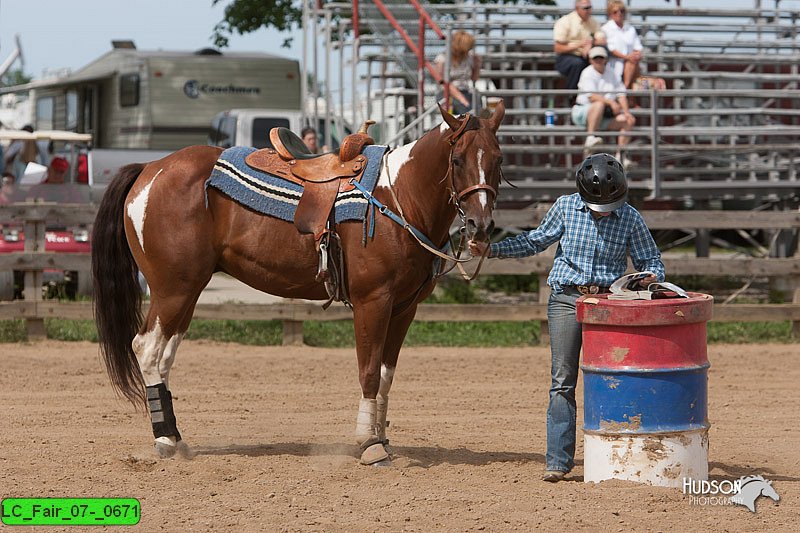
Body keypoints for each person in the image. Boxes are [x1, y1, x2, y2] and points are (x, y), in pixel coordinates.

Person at [468, 153, 665, 483]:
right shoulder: (564, 207)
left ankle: (617, 454)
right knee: (563, 380)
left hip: (607, 301)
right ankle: (558, 460)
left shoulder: (630, 218)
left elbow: (652, 260)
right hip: (566, 298)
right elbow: (535, 240)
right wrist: (494, 250)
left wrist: (650, 277)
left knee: (611, 378)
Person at [571, 46, 635, 157]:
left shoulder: (612, 73)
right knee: (599, 104)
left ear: (606, 59)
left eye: (601, 58)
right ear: (590, 60)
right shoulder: (587, 73)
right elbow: (592, 97)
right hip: (583, 112)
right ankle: (590, 138)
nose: (599, 61)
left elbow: (621, 94)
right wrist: (611, 103)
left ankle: (621, 156)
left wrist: (626, 112)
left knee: (629, 120)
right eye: (596, 58)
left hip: (604, 115)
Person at [553, 0, 600, 91]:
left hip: (585, 56)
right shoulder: (565, 21)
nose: (588, 11)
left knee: (601, 56)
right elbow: (558, 48)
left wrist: (591, 44)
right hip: (566, 57)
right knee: (578, 63)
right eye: (586, 8)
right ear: (577, 9)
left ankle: (600, 93)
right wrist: (579, 45)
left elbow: (601, 39)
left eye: (590, 7)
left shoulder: (593, 22)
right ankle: (572, 95)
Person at [435, 30, 482, 114]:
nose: (468, 51)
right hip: (446, 93)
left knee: (477, 98)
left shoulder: (469, 57)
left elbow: (474, 78)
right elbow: (443, 82)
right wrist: (461, 98)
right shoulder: (442, 58)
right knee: (464, 107)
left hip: (465, 91)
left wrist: (477, 66)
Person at [601, 0, 644, 89]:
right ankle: (626, 93)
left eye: (622, 11)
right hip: (613, 63)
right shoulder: (605, 29)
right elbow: (611, 49)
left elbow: (638, 47)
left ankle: (624, 91)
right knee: (631, 64)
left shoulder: (630, 28)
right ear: (610, 14)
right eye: (615, 12)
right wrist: (627, 57)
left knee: (632, 63)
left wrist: (636, 55)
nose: (619, 14)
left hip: (630, 62)